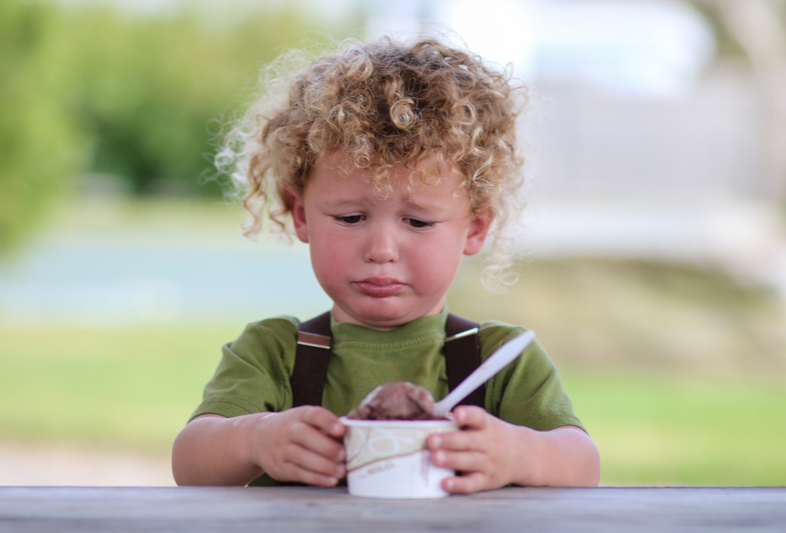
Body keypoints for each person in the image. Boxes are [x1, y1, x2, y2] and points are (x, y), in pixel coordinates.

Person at [172, 36, 600, 493]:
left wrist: (518, 454)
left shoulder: (497, 361)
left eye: (417, 221)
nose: (381, 249)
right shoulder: (275, 353)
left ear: (474, 229)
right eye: (351, 218)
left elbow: (582, 465)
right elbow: (191, 462)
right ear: (300, 214)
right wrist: (256, 439)